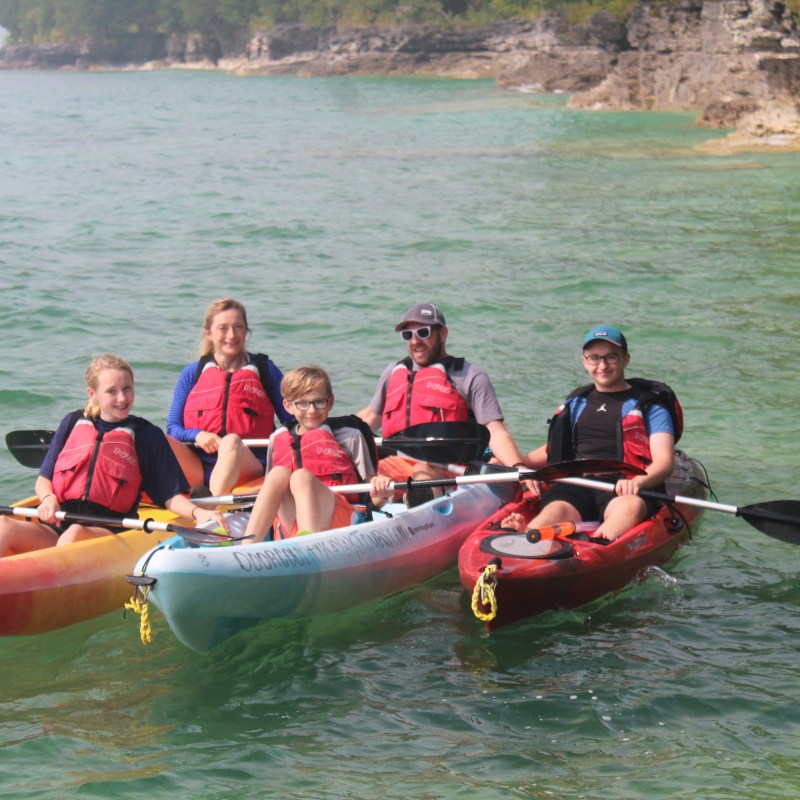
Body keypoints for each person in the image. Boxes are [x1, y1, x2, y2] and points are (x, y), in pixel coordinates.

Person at [0, 355, 228, 557]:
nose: (122, 398)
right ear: (93, 394)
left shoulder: (147, 435)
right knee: (4, 525)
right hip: (58, 527)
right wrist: (48, 498)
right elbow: (44, 479)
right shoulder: (71, 423)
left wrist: (198, 512)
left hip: (109, 532)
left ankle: (48, 585)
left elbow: (170, 496)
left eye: (127, 388)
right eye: (112, 391)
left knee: (75, 534)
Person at [504, 325, 678, 542]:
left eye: (611, 357)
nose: (602, 366)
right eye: (594, 358)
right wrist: (517, 463)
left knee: (630, 507)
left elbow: (664, 462)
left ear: (626, 359)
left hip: (623, 487)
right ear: (585, 362)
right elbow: (554, 450)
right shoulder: (576, 402)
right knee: (554, 511)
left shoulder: (650, 406)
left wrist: (639, 481)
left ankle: (600, 543)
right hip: (578, 484)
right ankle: (529, 534)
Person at [357, 302, 527, 502]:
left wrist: (518, 468)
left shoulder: (470, 376)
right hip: (398, 460)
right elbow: (369, 418)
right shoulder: (393, 373)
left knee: (422, 472)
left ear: (443, 333)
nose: (415, 341)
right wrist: (331, 433)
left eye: (423, 332)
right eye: (408, 335)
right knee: (365, 474)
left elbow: (495, 432)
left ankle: (415, 505)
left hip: (447, 466)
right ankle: (367, 508)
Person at [243, 366, 393, 542]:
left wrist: (381, 488)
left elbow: (370, 493)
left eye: (319, 402)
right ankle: (248, 545)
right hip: (291, 523)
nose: (312, 410)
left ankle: (309, 543)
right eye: (302, 403)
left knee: (301, 477)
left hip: (342, 520)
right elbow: (272, 492)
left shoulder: (351, 436)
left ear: (330, 402)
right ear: (288, 406)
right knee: (277, 473)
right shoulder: (277, 438)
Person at [166, 298, 293, 496]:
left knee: (231, 441)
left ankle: (212, 505)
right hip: (201, 466)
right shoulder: (192, 373)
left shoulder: (266, 371)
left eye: (238, 327)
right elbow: (173, 428)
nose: (232, 335)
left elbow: (292, 422)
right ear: (208, 333)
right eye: (223, 328)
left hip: (248, 465)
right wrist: (197, 435)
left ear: (246, 331)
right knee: (154, 437)